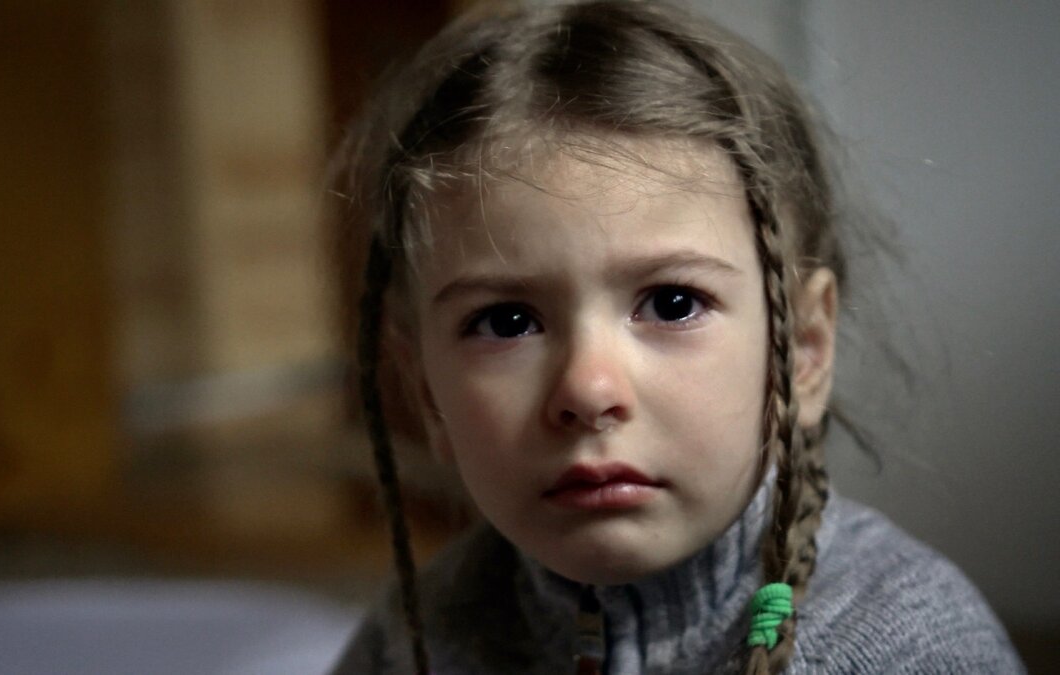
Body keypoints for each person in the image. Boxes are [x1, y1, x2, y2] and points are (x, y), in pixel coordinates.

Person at [328, 1, 1024, 673]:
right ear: (426, 390)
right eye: (506, 322)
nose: (588, 390)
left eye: (672, 303)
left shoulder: (904, 648)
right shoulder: (418, 634)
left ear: (804, 350)